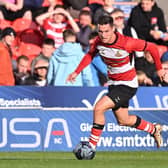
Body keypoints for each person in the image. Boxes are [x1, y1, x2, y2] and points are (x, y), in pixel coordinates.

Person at [66, 15, 165, 153]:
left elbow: (152, 48)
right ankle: (153, 129)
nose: (103, 35)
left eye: (106, 31)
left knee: (99, 108)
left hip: (127, 85)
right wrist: (76, 72)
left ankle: (91, 147)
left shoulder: (127, 42)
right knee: (123, 120)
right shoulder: (98, 42)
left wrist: (159, 69)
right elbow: (89, 55)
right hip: (113, 83)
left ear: (113, 29)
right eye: (100, 31)